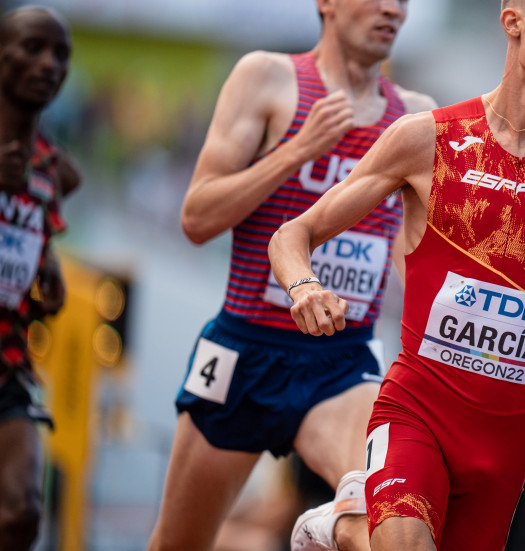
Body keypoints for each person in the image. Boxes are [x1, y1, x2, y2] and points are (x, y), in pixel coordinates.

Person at [269, 1, 525, 549]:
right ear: (513, 20)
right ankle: (353, 524)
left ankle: (350, 525)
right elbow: (292, 236)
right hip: (417, 409)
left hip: (509, 439)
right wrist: (305, 287)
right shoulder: (426, 138)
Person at [145, 0, 435, 549]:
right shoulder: (268, 77)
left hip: (343, 364)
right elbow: (197, 217)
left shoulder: (414, 117)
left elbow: (414, 254)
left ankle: (327, 526)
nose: (392, 9)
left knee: (387, 523)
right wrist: (296, 151)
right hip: (245, 354)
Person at [0, 6, 73, 550]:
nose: (48, 64)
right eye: (32, 47)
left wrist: (47, 272)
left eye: (61, 55)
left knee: (22, 512)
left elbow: (32, 243)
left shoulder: (54, 169)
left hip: (8, 362)